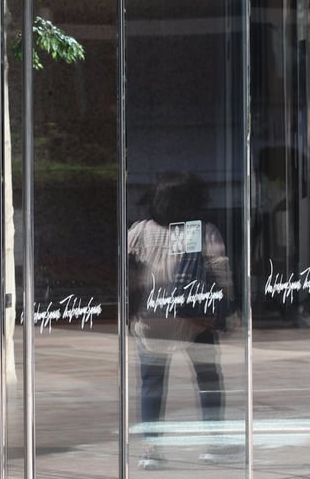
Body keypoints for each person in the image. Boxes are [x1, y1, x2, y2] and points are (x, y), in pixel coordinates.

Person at [127, 172, 235, 470]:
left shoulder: (139, 231)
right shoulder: (201, 231)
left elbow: (129, 275)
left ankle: (152, 451)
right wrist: (227, 308)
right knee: (209, 381)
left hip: (151, 320)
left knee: (151, 385)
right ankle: (215, 444)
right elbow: (220, 271)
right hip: (195, 319)